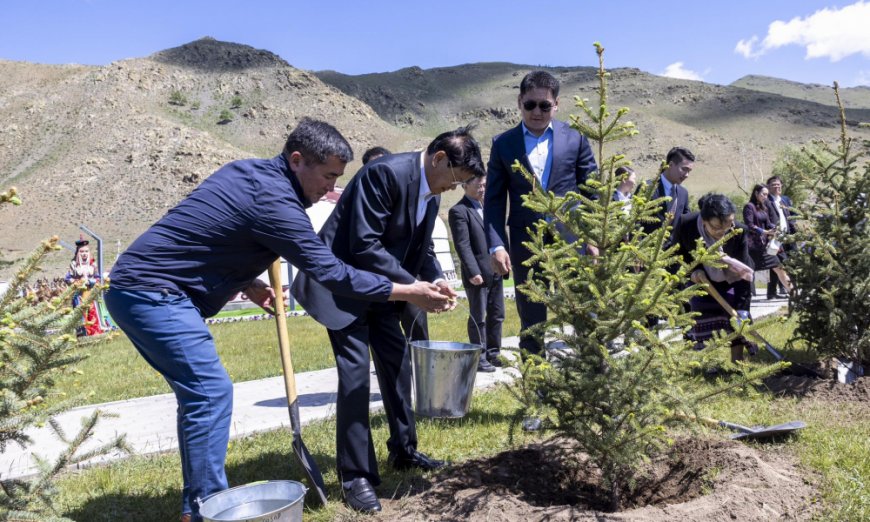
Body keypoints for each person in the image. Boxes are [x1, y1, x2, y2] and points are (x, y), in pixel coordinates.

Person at [104, 118, 449, 522]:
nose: (330, 189)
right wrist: (409, 291)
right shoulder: (278, 205)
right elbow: (333, 273)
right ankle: (204, 509)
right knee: (210, 393)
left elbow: (208, 230)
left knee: (199, 397)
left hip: (141, 287)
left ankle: (199, 501)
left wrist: (248, 282)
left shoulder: (244, 172)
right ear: (297, 160)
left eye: (338, 178)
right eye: (327, 177)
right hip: (154, 294)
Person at [291, 125, 485, 513]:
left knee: (398, 366)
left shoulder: (430, 199)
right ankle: (356, 476)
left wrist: (433, 281)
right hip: (341, 289)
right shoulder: (385, 174)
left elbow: (419, 249)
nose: (453, 189)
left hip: (382, 292)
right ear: (440, 158)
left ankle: (404, 450)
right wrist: (413, 286)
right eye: (455, 179)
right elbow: (364, 244)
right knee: (356, 376)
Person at [484, 70, 598, 355]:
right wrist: (497, 245)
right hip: (526, 244)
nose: (537, 111)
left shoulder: (576, 139)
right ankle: (535, 384)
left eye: (544, 105)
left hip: (572, 241)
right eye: (530, 104)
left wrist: (593, 238)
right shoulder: (503, 144)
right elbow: (495, 201)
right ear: (519, 101)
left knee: (584, 310)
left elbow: (592, 193)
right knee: (531, 317)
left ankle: (591, 374)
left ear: (556, 105)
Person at [676, 193, 756, 362]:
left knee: (737, 321)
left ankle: (737, 362)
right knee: (703, 316)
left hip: (732, 279)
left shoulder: (738, 231)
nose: (722, 233)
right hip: (703, 281)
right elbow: (679, 252)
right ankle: (709, 363)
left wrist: (742, 309)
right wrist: (693, 272)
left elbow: (743, 272)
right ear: (704, 221)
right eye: (716, 228)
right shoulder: (686, 224)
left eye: (727, 226)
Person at [362, 145, 429, 342]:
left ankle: (420, 368)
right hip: (377, 283)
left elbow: (425, 246)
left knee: (418, 330)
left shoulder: (413, 196)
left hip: (408, 277)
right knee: (384, 336)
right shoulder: (364, 204)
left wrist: (434, 279)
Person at [449, 175, 505, 373]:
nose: (482, 188)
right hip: (478, 273)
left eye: (484, 184)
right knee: (478, 317)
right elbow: (462, 245)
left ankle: (493, 352)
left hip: (496, 269)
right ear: (465, 185)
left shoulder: (489, 207)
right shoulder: (459, 211)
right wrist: (473, 271)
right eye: (478, 185)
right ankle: (479, 357)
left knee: (497, 314)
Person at [742, 184, 793, 295]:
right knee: (747, 272)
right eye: (763, 194)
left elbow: (768, 223)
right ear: (756, 193)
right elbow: (749, 225)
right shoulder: (749, 207)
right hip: (753, 248)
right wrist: (765, 232)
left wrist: (775, 228)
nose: (765, 197)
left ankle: (794, 293)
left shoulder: (763, 207)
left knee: (780, 268)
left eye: (766, 194)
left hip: (765, 247)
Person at [639, 146, 694, 246]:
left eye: (689, 171)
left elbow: (686, 223)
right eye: (684, 169)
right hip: (645, 252)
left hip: (671, 255)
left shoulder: (683, 193)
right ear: (671, 165)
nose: (687, 175)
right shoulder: (647, 187)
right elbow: (635, 221)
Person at [64, 238, 104, 336]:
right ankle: (82, 333)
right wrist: (78, 283)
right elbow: (67, 278)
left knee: (93, 312)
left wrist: (90, 282)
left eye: (86, 251)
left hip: (91, 293)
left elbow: (98, 278)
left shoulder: (93, 265)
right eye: (82, 251)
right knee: (80, 314)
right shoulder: (74, 265)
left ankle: (95, 333)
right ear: (78, 253)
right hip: (79, 295)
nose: (84, 254)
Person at [765, 175, 795, 299]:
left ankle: (790, 288)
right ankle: (772, 292)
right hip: (775, 237)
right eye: (773, 185)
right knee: (775, 263)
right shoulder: (767, 201)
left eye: (778, 184)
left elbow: (792, 214)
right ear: (768, 187)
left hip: (788, 235)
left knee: (791, 260)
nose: (777, 187)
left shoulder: (785, 200)